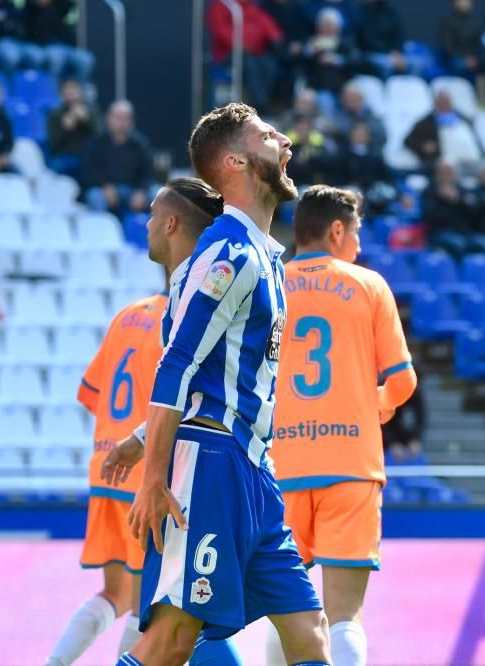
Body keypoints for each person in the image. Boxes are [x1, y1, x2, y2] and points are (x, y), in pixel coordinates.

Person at [101, 103, 329, 666]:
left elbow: (208, 368)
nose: (284, 140)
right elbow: (176, 364)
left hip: (253, 469)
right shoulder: (229, 252)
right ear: (235, 160)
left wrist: (137, 437)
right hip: (209, 465)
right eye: (266, 135)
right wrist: (155, 474)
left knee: (309, 632)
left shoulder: (262, 254)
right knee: (173, 639)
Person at [45, 178, 225, 666]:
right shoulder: (190, 318)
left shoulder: (128, 315)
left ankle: (55, 662)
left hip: (106, 468)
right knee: (158, 606)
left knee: (115, 594)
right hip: (152, 476)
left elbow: (91, 395)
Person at [267, 185, 418, 666]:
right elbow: (402, 381)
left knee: (287, 612)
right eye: (355, 232)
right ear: (336, 230)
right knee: (344, 617)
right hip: (351, 466)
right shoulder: (368, 284)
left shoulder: (268, 283)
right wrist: (375, 403)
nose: (358, 243)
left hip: (281, 466)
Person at [206, 0, 284, 110]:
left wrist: (275, 34)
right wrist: (239, 44)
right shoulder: (221, 5)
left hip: (254, 53)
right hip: (228, 55)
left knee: (269, 65)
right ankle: (260, 105)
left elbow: (264, 21)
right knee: (251, 66)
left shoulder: (249, 6)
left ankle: (259, 101)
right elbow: (220, 29)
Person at [83, 101, 153, 215]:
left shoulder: (141, 144)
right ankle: (103, 231)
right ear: (108, 118)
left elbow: (148, 173)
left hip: (133, 189)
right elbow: (90, 171)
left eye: (125, 118)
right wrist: (105, 185)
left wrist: (141, 191)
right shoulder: (96, 143)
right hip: (103, 188)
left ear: (131, 121)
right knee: (94, 196)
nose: (121, 122)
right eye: (117, 117)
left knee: (157, 194)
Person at [403, 89, 481, 170]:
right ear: (435, 104)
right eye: (441, 103)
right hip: (440, 164)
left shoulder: (464, 120)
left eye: (446, 102)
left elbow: (477, 142)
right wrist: (423, 146)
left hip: (468, 162)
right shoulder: (426, 123)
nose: (444, 106)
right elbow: (408, 141)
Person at [47, 79, 98, 180]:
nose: (70, 92)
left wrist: (86, 120)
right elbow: (53, 144)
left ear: (80, 92)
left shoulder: (91, 111)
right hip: (63, 156)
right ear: (61, 94)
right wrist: (65, 129)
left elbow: (99, 135)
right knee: (57, 166)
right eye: (67, 89)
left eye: (73, 89)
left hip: (87, 156)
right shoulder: (55, 114)